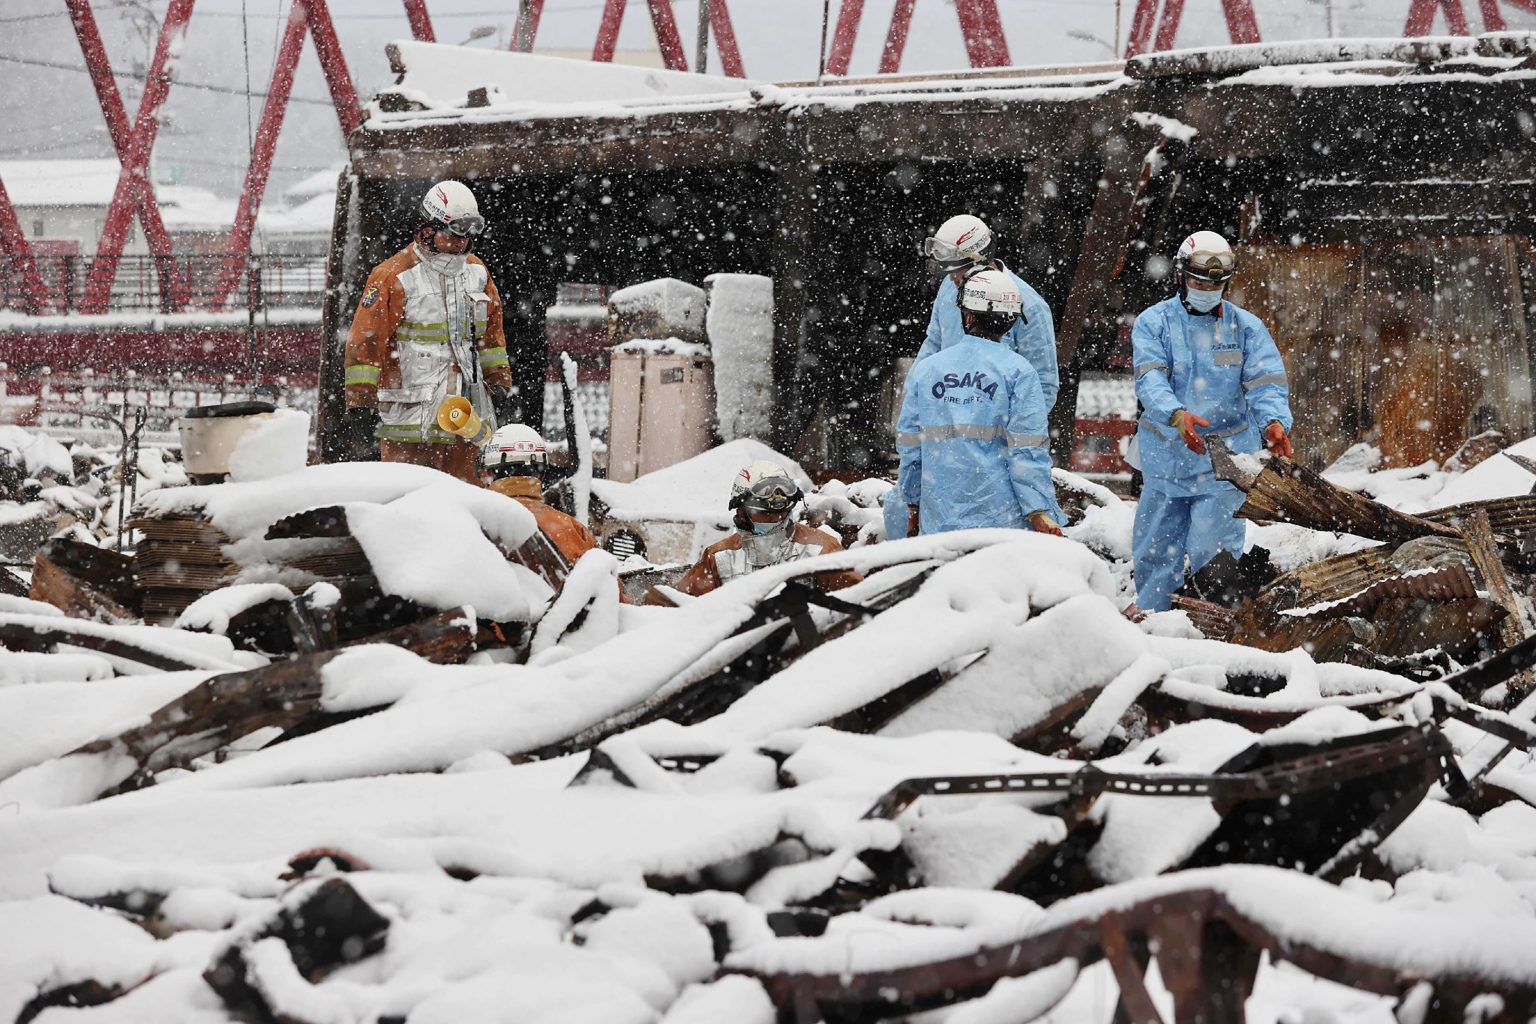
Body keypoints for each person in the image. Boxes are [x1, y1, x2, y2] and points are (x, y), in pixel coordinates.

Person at [1131, 230, 1293, 612]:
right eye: (1199, 281)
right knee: (1155, 552)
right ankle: (1154, 621)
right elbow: (1150, 378)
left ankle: (1211, 628)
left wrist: (1273, 423)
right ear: (1180, 276)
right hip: (1165, 459)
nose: (1206, 290)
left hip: (1223, 463)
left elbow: (1266, 382)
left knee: (1214, 553)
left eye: (1215, 284)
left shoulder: (1246, 328)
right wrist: (1176, 414)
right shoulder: (1153, 323)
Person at [339, 180, 516, 483]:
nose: (462, 241)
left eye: (469, 232)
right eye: (455, 231)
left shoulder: (476, 272)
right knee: (406, 497)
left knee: (468, 496)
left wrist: (499, 381)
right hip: (409, 420)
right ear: (427, 231)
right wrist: (361, 402)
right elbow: (366, 343)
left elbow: (491, 337)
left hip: (465, 417)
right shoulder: (393, 276)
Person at [897, 268, 1064, 537]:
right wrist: (1039, 511)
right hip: (1001, 522)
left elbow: (910, 445)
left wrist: (912, 503)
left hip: (938, 521)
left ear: (968, 315)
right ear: (1011, 320)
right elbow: (1028, 449)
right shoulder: (1020, 373)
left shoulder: (927, 370)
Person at [659, 460, 864, 600]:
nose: (776, 519)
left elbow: (858, 606)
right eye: (765, 514)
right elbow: (677, 611)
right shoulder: (719, 557)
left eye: (782, 512)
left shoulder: (821, 550)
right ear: (741, 512)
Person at [917, 213, 1059, 411]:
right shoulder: (949, 289)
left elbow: (1043, 385)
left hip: (998, 424)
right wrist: (914, 399)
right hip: (945, 420)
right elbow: (933, 345)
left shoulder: (1030, 307)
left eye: (957, 271)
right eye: (948, 271)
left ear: (979, 263)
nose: (951, 279)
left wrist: (1012, 427)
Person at [480, 423, 599, 569]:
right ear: (542, 474)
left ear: (489, 473)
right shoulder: (573, 530)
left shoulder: (473, 524)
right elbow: (605, 580)